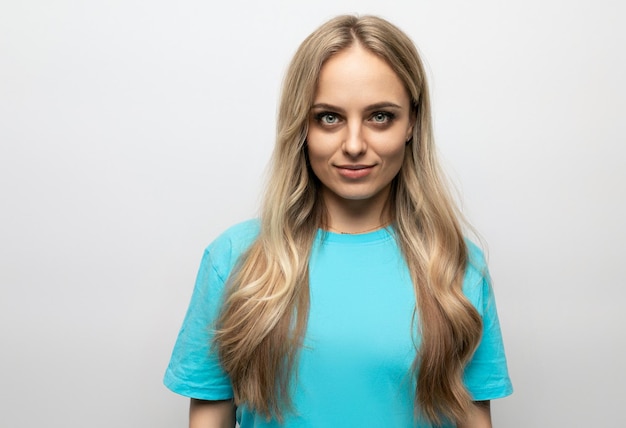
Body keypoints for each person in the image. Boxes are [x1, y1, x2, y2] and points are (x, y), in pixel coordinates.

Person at [164, 15, 512, 428]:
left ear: (412, 123)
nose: (353, 145)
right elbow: (210, 414)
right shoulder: (235, 259)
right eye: (328, 117)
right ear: (301, 126)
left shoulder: (455, 265)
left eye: (380, 116)